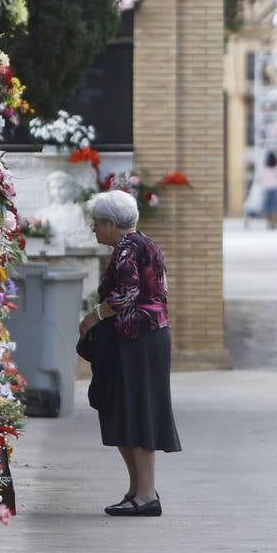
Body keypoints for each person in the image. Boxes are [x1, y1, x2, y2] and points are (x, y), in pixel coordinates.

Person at [77, 190, 181, 517]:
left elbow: (126, 295)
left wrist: (93, 315)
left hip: (139, 339)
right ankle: (138, 491)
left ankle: (146, 494)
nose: (94, 229)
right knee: (128, 410)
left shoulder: (126, 248)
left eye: (96, 223)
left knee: (137, 411)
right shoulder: (144, 243)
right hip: (149, 337)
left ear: (111, 223)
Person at [254, 151, 277, 229]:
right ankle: (274, 223)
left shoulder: (264, 167)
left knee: (268, 206)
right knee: (275, 206)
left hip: (266, 188)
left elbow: (259, 178)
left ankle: (269, 222)